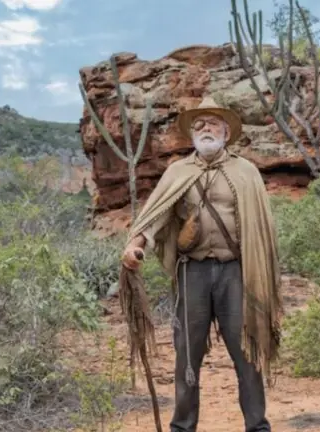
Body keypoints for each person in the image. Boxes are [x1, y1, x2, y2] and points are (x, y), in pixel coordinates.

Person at [121, 96, 283, 432]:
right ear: (192, 135)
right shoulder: (178, 172)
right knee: (187, 357)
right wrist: (136, 244)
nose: (205, 129)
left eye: (212, 123)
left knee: (247, 355)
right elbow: (157, 213)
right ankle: (183, 427)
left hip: (236, 272)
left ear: (226, 132)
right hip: (192, 273)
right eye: (198, 125)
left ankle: (258, 426)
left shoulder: (246, 171)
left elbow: (262, 227)